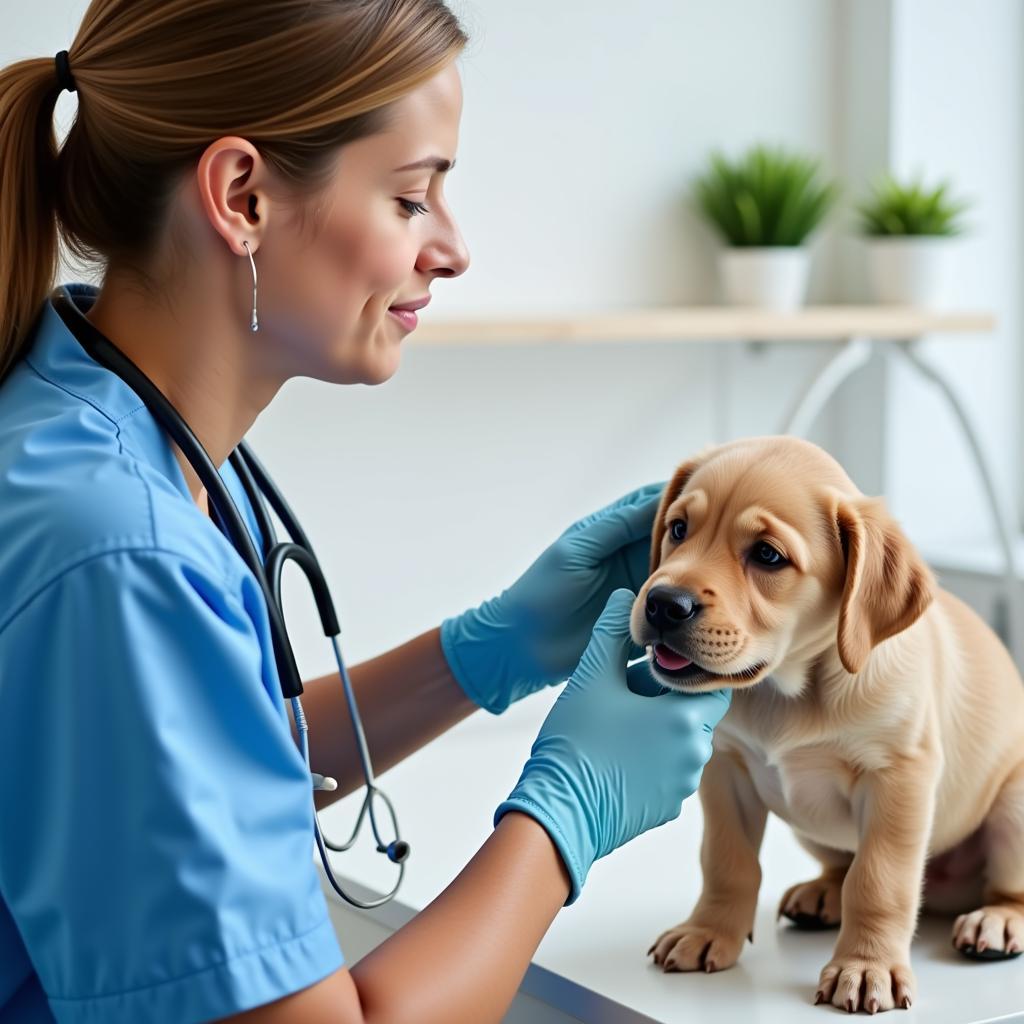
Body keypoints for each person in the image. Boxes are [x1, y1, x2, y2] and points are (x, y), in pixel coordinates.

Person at [0, 2, 731, 1021]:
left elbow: (201, 771)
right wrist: (561, 820)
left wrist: (482, 656)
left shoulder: (90, 408)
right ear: (242, 196)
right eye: (411, 198)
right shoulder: (119, 551)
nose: (454, 248)